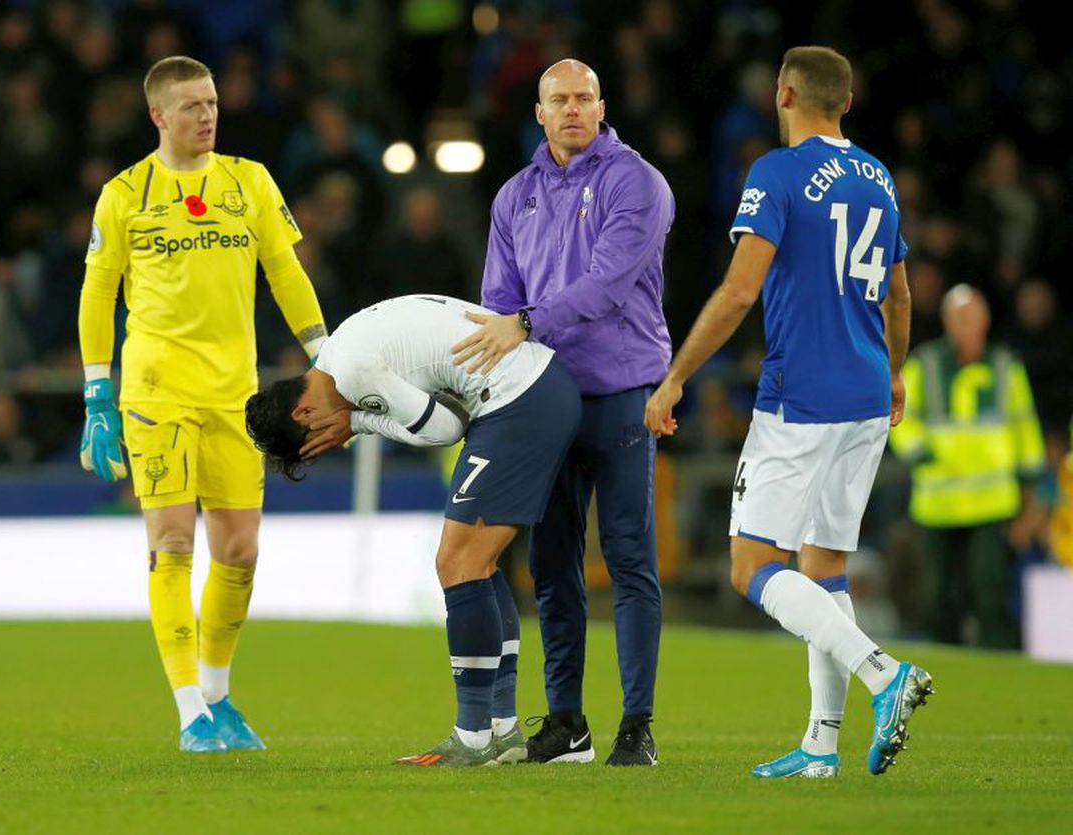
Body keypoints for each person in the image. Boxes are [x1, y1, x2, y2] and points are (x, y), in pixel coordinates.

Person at [645, 46, 932, 778]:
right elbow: (899, 296)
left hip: (801, 397)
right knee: (824, 565)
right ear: (848, 98)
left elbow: (740, 292)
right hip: (868, 394)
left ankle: (883, 673)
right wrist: (895, 372)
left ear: (784, 94)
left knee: (752, 565)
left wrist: (675, 376)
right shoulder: (879, 178)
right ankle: (820, 744)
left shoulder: (775, 174)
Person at [77, 56, 327, 753]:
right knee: (173, 541)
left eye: (211, 102)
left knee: (241, 549)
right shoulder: (125, 195)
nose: (206, 116)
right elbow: (98, 295)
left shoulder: (249, 182)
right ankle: (191, 710)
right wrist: (98, 391)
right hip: (157, 391)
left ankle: (217, 694)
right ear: (158, 116)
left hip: (234, 394)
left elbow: (286, 272)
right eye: (190, 106)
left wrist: (326, 357)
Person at [245, 294, 581, 767]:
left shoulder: (354, 371)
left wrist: (358, 421)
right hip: (532, 391)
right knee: (477, 565)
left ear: (303, 415)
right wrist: (359, 419)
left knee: (456, 563)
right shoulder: (342, 354)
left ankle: (471, 736)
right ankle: (503, 729)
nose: (333, 440)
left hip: (519, 400)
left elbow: (445, 428)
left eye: (318, 442)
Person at [454, 59, 672, 766]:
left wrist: (523, 321)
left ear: (602, 106)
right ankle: (567, 722)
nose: (573, 109)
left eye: (584, 98)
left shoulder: (635, 181)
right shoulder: (515, 196)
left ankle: (636, 724)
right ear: (540, 113)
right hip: (543, 400)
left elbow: (607, 283)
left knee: (631, 556)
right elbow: (497, 298)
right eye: (560, 100)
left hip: (618, 395)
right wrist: (507, 337)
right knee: (551, 567)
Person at [889, 284, 1045, 649]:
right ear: (946, 322)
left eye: (972, 317)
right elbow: (899, 415)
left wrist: (1031, 482)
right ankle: (947, 660)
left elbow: (1024, 423)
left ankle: (996, 659)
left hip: (991, 501)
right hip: (938, 502)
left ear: (986, 321)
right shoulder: (925, 365)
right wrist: (917, 449)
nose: (966, 325)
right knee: (940, 593)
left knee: (989, 587)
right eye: (959, 317)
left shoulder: (1006, 365)